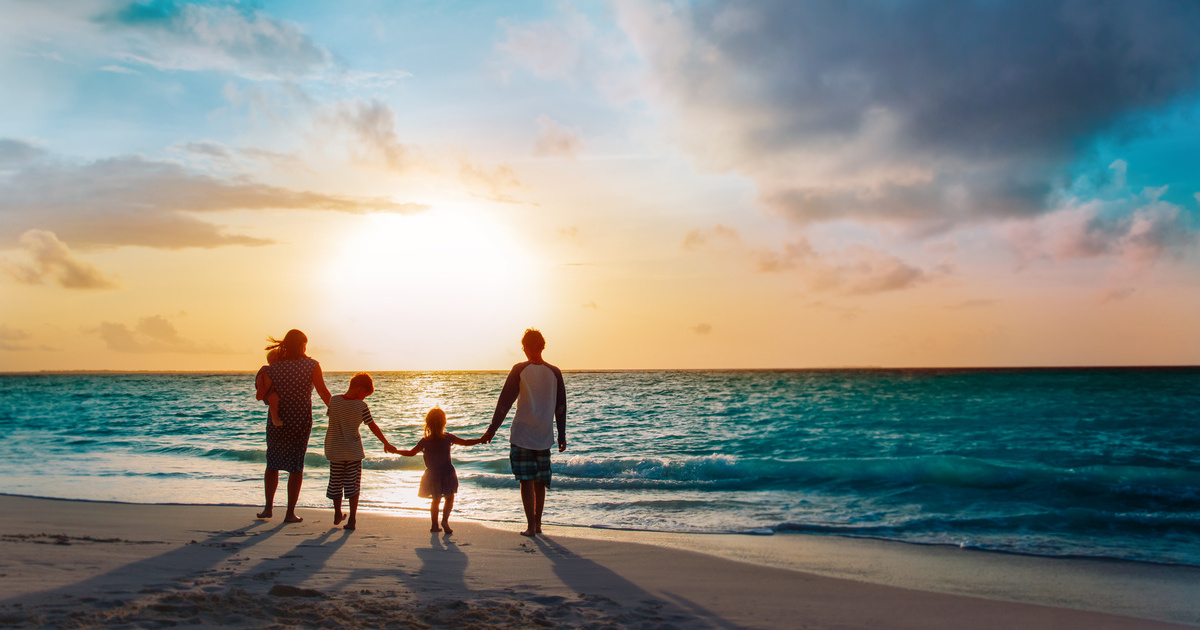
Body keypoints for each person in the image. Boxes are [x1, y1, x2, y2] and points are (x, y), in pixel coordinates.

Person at [481, 328, 566, 537]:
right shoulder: (555, 371)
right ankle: (537, 524)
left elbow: (505, 403)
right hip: (544, 435)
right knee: (540, 482)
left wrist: (492, 429)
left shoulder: (519, 369)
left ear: (529, 347)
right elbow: (561, 407)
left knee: (526, 480)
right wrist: (562, 434)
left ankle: (531, 526)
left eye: (525, 346)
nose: (524, 350)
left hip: (522, 435)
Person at [255, 329, 331, 523]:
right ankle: (290, 513)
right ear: (303, 345)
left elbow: (263, 394)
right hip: (300, 420)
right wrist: (337, 411)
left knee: (272, 463)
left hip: (277, 421)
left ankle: (268, 508)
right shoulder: (312, 365)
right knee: (296, 466)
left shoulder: (272, 368)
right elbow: (322, 392)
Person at [389, 407, 485, 534]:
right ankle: (445, 520)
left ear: (428, 423)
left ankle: (434, 525)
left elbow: (411, 453)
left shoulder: (425, 441)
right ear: (444, 423)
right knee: (449, 498)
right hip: (448, 473)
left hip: (433, 475)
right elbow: (466, 442)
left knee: (436, 500)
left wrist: (396, 451)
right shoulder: (448, 438)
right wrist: (480, 440)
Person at [324, 372, 395, 531]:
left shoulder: (334, 400)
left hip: (334, 450)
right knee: (353, 485)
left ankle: (337, 513)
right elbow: (372, 426)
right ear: (360, 389)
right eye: (365, 395)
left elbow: (332, 418)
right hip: (353, 452)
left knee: (336, 483)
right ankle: (352, 519)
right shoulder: (361, 406)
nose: (364, 398)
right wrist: (386, 443)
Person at [254, 348, 283, 427]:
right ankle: (275, 419)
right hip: (269, 391)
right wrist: (260, 387)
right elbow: (260, 379)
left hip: (271, 389)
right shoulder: (267, 369)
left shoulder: (275, 370)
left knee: (274, 400)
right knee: (273, 399)